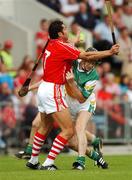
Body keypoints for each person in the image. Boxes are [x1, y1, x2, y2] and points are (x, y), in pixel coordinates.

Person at [23, 20, 119, 170]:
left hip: (44, 89)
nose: (68, 31)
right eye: (65, 29)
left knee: (44, 126)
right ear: (60, 33)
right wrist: (109, 52)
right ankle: (49, 163)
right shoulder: (63, 47)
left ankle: (33, 160)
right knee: (68, 131)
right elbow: (85, 54)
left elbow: (70, 46)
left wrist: (29, 88)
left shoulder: (50, 43)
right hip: (54, 90)